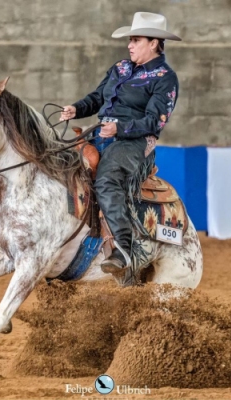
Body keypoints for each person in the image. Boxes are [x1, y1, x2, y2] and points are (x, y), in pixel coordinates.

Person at [59, 12, 181, 277]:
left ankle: (123, 248)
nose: (130, 45)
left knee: (106, 180)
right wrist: (75, 109)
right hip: (102, 135)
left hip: (135, 143)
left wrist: (120, 128)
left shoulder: (165, 78)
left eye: (136, 40)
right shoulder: (120, 68)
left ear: (154, 43)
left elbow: (155, 122)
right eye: (130, 40)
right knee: (58, 162)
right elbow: (96, 98)